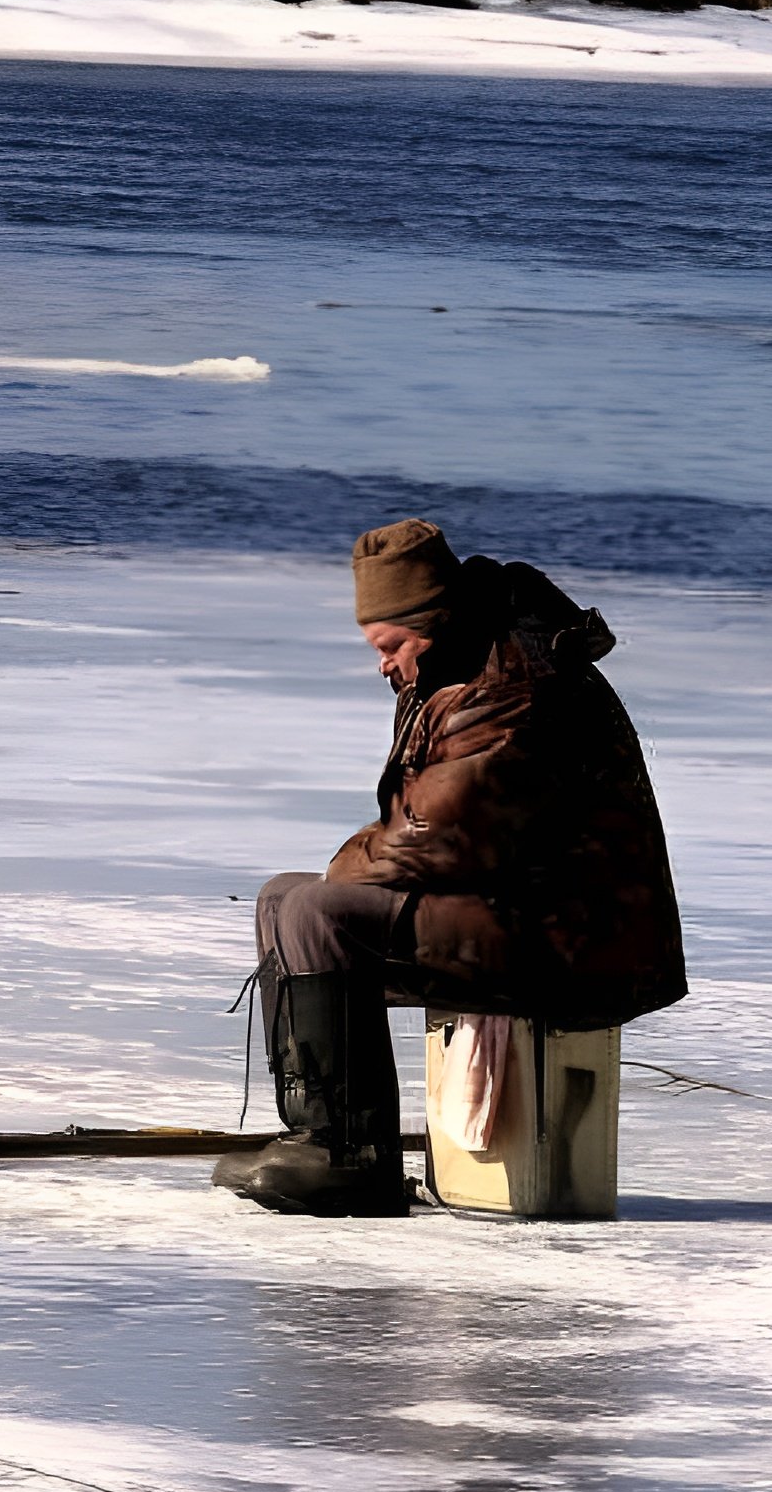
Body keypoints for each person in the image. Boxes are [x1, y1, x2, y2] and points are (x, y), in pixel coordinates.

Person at [213, 517, 687, 1216]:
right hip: (524, 910)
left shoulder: (508, 686)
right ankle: (319, 1132)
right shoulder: (457, 667)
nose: (381, 664)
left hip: (577, 939)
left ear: (430, 623)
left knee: (317, 910)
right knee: (283, 899)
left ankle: (350, 1158)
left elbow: (437, 841)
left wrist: (343, 873)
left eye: (389, 646)